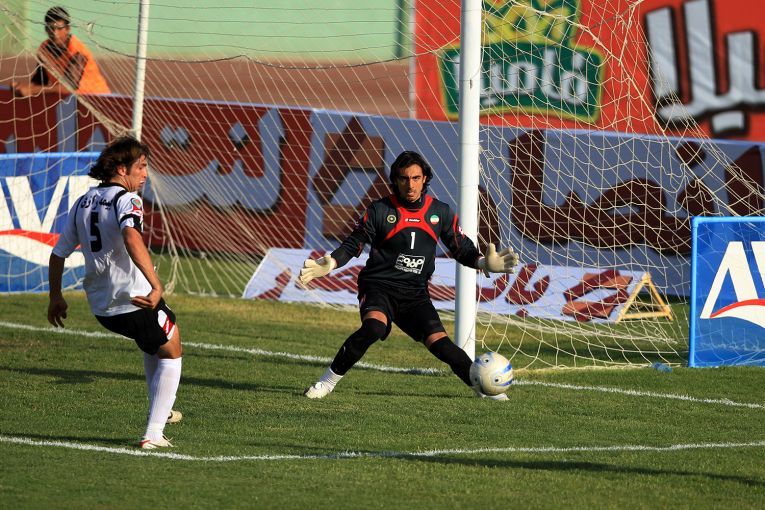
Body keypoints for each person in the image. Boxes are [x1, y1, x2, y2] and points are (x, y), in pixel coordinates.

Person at [299, 150, 519, 400]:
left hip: (415, 294)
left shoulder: (440, 212)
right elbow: (354, 243)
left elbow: (460, 248)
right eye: (404, 178)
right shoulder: (380, 210)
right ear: (395, 180)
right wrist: (331, 262)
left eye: (416, 178)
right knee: (373, 328)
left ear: (425, 179)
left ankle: (485, 387)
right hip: (379, 287)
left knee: (442, 345)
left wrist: (482, 262)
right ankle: (326, 383)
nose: (410, 185)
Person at [47, 136, 182, 449]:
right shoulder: (127, 199)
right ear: (122, 169)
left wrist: (55, 297)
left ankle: (160, 410)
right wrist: (156, 285)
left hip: (101, 306)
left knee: (155, 344)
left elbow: (58, 253)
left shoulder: (83, 201)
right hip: (133, 297)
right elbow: (132, 237)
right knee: (172, 350)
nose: (145, 174)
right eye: (141, 167)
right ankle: (153, 433)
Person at [12, 6, 111, 97]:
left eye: (59, 28)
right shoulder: (44, 49)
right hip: (70, 99)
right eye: (51, 28)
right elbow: (40, 81)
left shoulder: (77, 51)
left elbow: (67, 88)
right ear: (46, 29)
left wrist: (31, 90)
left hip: (97, 98)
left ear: (68, 29)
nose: (55, 33)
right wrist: (20, 87)